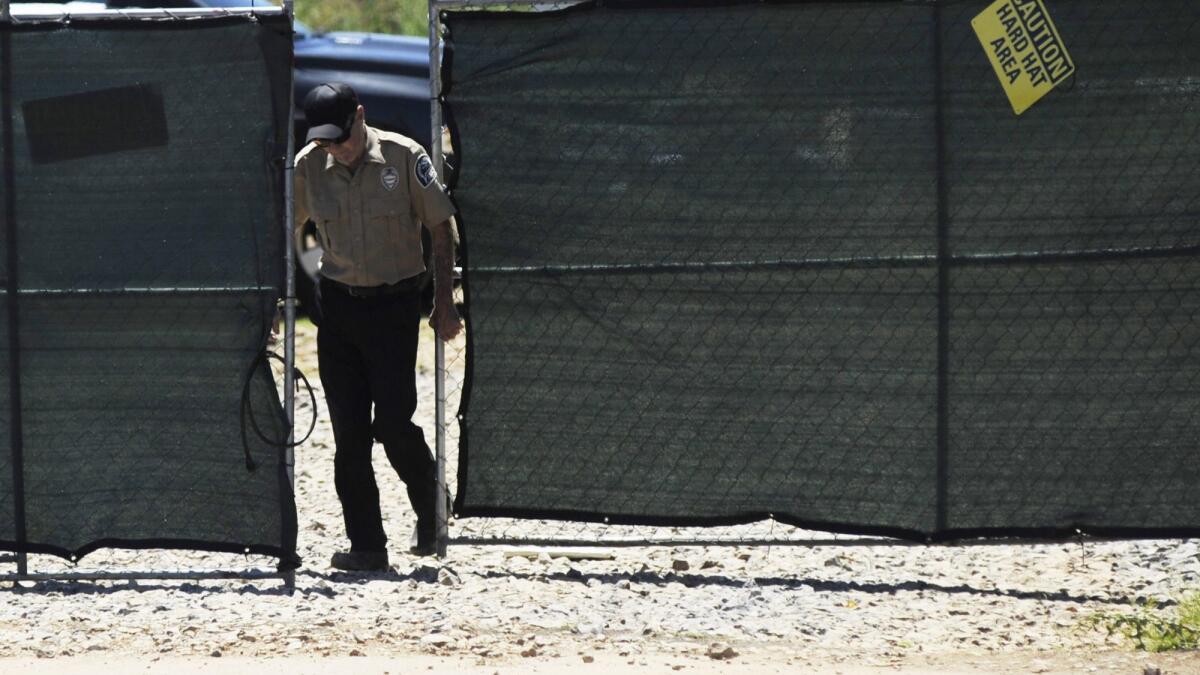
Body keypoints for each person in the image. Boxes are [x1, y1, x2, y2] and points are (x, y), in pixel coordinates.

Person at [293, 82, 461, 571]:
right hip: (338, 310)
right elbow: (282, 227)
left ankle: (433, 508)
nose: (335, 149)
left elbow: (439, 225)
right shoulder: (309, 166)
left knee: (391, 424)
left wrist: (445, 302)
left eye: (340, 138)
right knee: (348, 435)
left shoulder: (403, 156)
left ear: (360, 117)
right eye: (324, 141)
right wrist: (272, 303)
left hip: (393, 308)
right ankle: (367, 545)